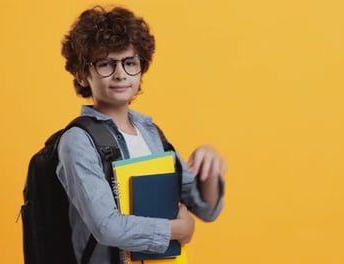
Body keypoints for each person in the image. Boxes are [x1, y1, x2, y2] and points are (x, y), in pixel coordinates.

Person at [57, 5, 226, 264]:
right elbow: (106, 226)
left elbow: (204, 207)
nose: (120, 74)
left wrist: (209, 166)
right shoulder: (78, 141)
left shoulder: (150, 133)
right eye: (105, 64)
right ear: (82, 75)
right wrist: (176, 230)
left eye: (129, 63)